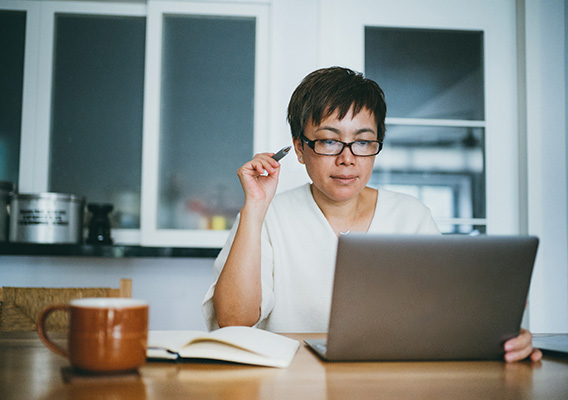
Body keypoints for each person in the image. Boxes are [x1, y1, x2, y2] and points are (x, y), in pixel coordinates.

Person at [202, 66, 542, 363]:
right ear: (301, 149)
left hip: (393, 381)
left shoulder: (411, 216)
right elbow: (234, 319)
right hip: (292, 382)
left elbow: (444, 320)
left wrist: (502, 339)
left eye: (363, 142)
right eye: (329, 141)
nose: (348, 158)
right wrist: (256, 207)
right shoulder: (267, 214)